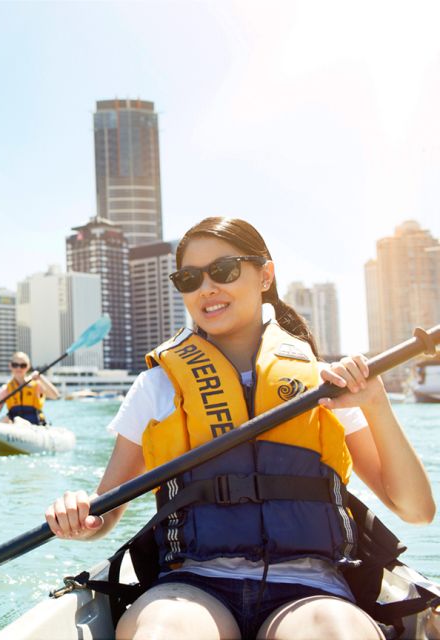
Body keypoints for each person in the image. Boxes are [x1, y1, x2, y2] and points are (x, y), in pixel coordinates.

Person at [44, 217, 435, 640]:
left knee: (334, 633)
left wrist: (376, 404)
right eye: (189, 279)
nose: (206, 289)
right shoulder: (156, 386)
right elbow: (104, 515)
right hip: (192, 586)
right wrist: (78, 515)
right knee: (162, 633)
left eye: (224, 271)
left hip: (312, 590)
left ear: (265, 274)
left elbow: (416, 509)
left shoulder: (327, 385)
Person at [0, 352, 60, 425]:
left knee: (18, 420)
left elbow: (55, 396)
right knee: (5, 419)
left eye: (23, 365)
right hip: (14, 426)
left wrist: (41, 378)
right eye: (15, 365)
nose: (19, 368)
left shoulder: (36, 385)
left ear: (28, 366)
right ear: (10, 366)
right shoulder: (6, 389)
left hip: (35, 426)